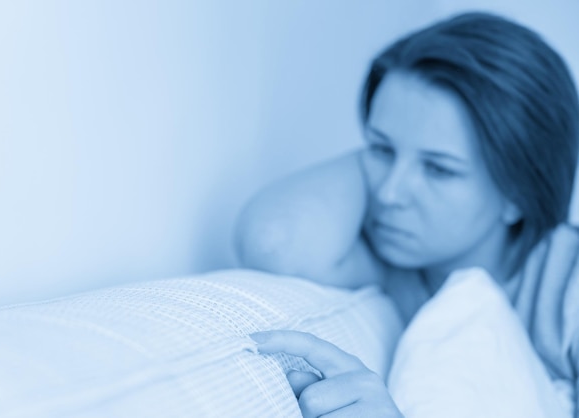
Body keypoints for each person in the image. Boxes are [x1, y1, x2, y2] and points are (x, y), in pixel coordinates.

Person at [234, 11, 579, 417]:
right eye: (379, 149)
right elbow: (274, 240)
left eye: (439, 169)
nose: (389, 192)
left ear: (518, 190)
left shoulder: (567, 287)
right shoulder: (396, 260)